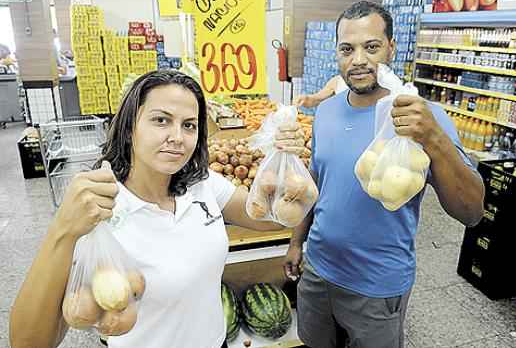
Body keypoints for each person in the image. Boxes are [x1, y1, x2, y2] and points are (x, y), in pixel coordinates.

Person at [9, 70, 306, 348]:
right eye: (161, 120)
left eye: (189, 125)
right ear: (129, 129)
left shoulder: (202, 184)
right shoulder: (98, 208)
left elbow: (272, 219)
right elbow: (27, 342)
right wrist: (62, 230)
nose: (177, 136)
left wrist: (282, 164)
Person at [283, 1, 485, 348]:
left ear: (391, 47)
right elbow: (317, 182)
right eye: (347, 49)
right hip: (317, 272)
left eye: (371, 47)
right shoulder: (328, 111)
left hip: (377, 287)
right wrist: (296, 241)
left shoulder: (422, 116)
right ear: (337, 54)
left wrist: (433, 138)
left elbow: (471, 211)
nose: (358, 59)